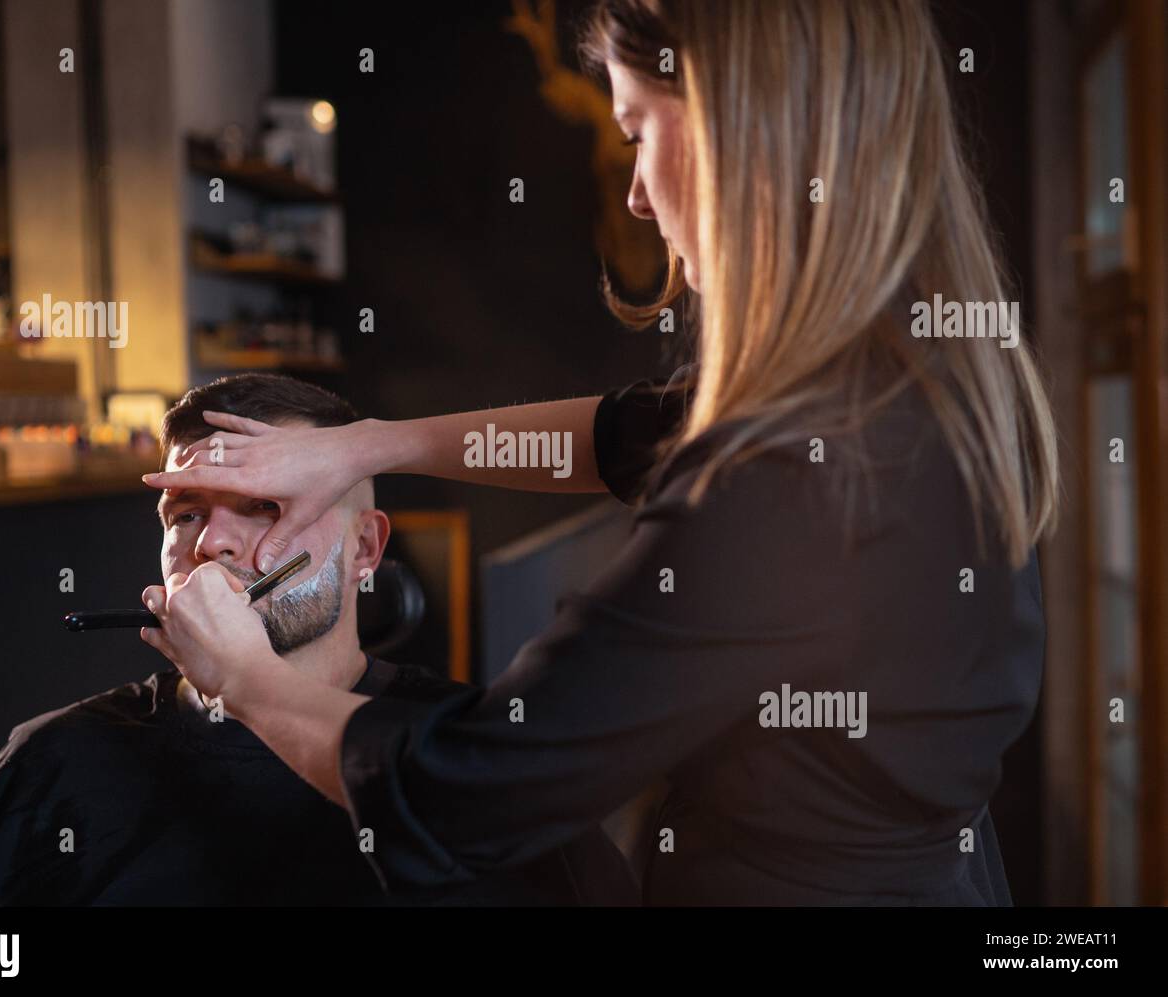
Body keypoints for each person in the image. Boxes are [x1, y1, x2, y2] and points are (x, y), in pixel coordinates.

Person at [139, 0, 1058, 905]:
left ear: (744, 129)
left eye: (637, 134)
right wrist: (364, 446)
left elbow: (467, 793)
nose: (633, 193)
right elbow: (623, 432)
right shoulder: (913, 377)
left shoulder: (794, 481)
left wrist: (245, 679)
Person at [0, 374, 636, 907]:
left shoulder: (465, 758)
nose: (214, 542)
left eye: (264, 506)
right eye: (184, 513)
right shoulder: (57, 762)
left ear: (365, 547)